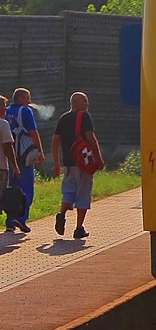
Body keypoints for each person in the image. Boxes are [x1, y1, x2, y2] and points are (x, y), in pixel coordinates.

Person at [51, 92, 104, 239]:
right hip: (83, 163)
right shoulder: (84, 117)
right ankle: (79, 228)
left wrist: (57, 163)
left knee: (68, 191)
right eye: (85, 101)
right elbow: (90, 138)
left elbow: (55, 141)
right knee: (83, 193)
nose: (87, 104)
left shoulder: (63, 118)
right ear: (76, 102)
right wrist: (98, 158)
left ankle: (62, 214)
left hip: (68, 164)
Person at [5, 87, 45, 233]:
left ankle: (9, 221)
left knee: (11, 188)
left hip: (9, 155)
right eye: (27, 98)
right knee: (26, 188)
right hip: (24, 154)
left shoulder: (6, 111)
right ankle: (21, 218)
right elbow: (33, 132)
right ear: (21, 98)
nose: (29, 101)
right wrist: (39, 151)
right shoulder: (25, 111)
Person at [0, 95, 20, 193]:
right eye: (4, 106)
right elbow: (7, 147)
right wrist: (15, 166)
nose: (5, 109)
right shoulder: (3, 124)